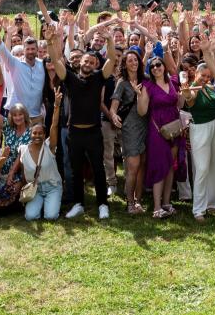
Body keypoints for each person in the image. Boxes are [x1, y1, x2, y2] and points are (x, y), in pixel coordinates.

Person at [49, 28, 117, 220]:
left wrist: (110, 40)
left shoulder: (98, 78)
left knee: (98, 168)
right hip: (74, 133)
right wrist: (49, 43)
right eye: (85, 61)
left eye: (91, 62)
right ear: (79, 63)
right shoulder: (70, 79)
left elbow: (111, 60)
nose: (87, 63)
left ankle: (103, 204)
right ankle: (78, 204)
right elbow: (56, 61)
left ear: (95, 64)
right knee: (76, 169)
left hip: (94, 132)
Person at [139, 53, 185, 218]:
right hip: (158, 130)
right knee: (159, 166)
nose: (156, 68)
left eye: (158, 64)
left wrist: (183, 94)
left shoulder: (172, 82)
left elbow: (179, 104)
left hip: (174, 129)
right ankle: (157, 207)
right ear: (149, 70)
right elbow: (142, 111)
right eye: (152, 66)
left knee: (170, 166)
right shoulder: (147, 86)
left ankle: (166, 203)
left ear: (164, 66)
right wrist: (139, 97)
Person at [182, 60, 215, 221]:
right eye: (203, 75)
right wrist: (187, 92)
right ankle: (198, 209)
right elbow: (189, 98)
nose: (205, 78)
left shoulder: (210, 86)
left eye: (208, 76)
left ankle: (212, 203)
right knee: (201, 168)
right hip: (200, 128)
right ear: (196, 73)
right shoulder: (192, 87)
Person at [112, 48, 149, 214]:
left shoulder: (146, 80)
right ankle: (130, 203)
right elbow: (114, 105)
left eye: (136, 60)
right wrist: (113, 116)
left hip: (146, 125)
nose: (133, 63)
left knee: (142, 165)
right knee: (132, 166)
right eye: (130, 61)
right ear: (125, 65)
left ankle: (138, 201)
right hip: (130, 128)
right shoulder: (122, 82)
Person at [20, 91, 65, 222]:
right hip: (36, 189)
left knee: (50, 216)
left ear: (45, 135)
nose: (37, 136)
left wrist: (56, 106)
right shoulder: (23, 150)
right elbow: (23, 173)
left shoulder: (49, 147)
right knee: (30, 216)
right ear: (30, 134)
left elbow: (54, 125)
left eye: (40, 133)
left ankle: (52, 202)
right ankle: (41, 204)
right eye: (34, 133)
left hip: (52, 187)